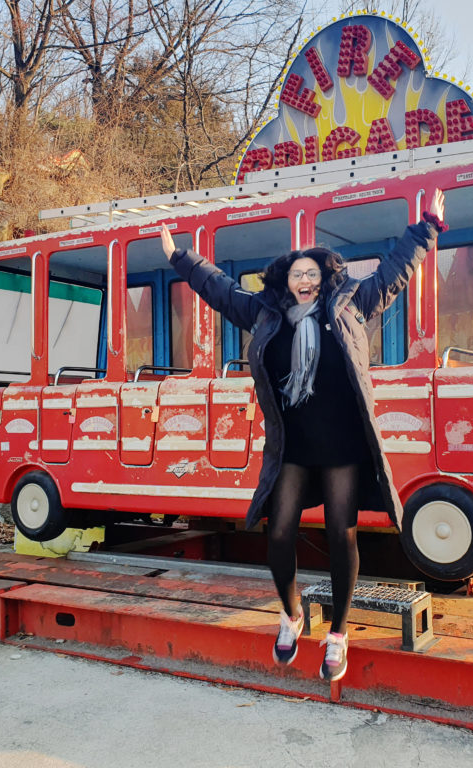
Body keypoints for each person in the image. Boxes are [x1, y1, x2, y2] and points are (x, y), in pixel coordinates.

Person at [161, 190, 446, 681]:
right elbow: (220, 288)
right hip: (291, 444)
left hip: (341, 443)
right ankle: (291, 614)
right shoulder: (263, 313)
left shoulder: (353, 304)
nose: (306, 279)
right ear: (285, 282)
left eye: (313, 272)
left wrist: (427, 229)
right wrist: (180, 258)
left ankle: (337, 633)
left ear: (325, 278)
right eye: (297, 273)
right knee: (278, 531)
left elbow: (396, 272)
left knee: (341, 533)